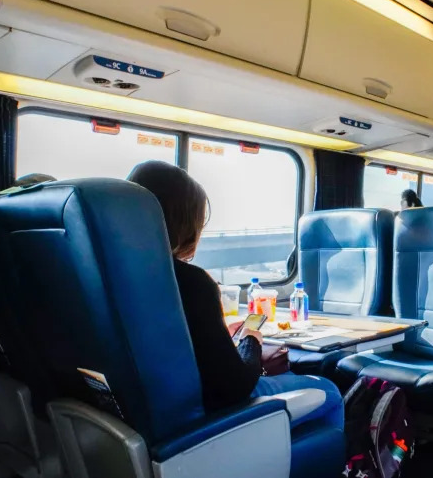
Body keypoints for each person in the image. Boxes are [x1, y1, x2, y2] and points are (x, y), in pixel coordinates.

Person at [127, 161, 343, 429]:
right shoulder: (190, 282)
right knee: (329, 391)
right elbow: (235, 387)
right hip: (206, 415)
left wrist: (223, 337)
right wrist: (251, 340)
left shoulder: (120, 278)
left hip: (149, 413)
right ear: (185, 223)